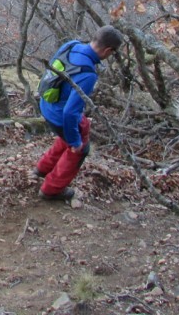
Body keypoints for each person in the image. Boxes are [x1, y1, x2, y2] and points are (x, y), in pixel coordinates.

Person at [35, 25, 123, 202]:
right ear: (107, 50)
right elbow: (70, 112)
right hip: (59, 115)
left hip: (46, 104)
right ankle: (51, 190)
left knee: (80, 127)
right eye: (112, 53)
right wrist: (76, 143)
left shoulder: (71, 45)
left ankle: (42, 169)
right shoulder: (88, 74)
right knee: (80, 147)